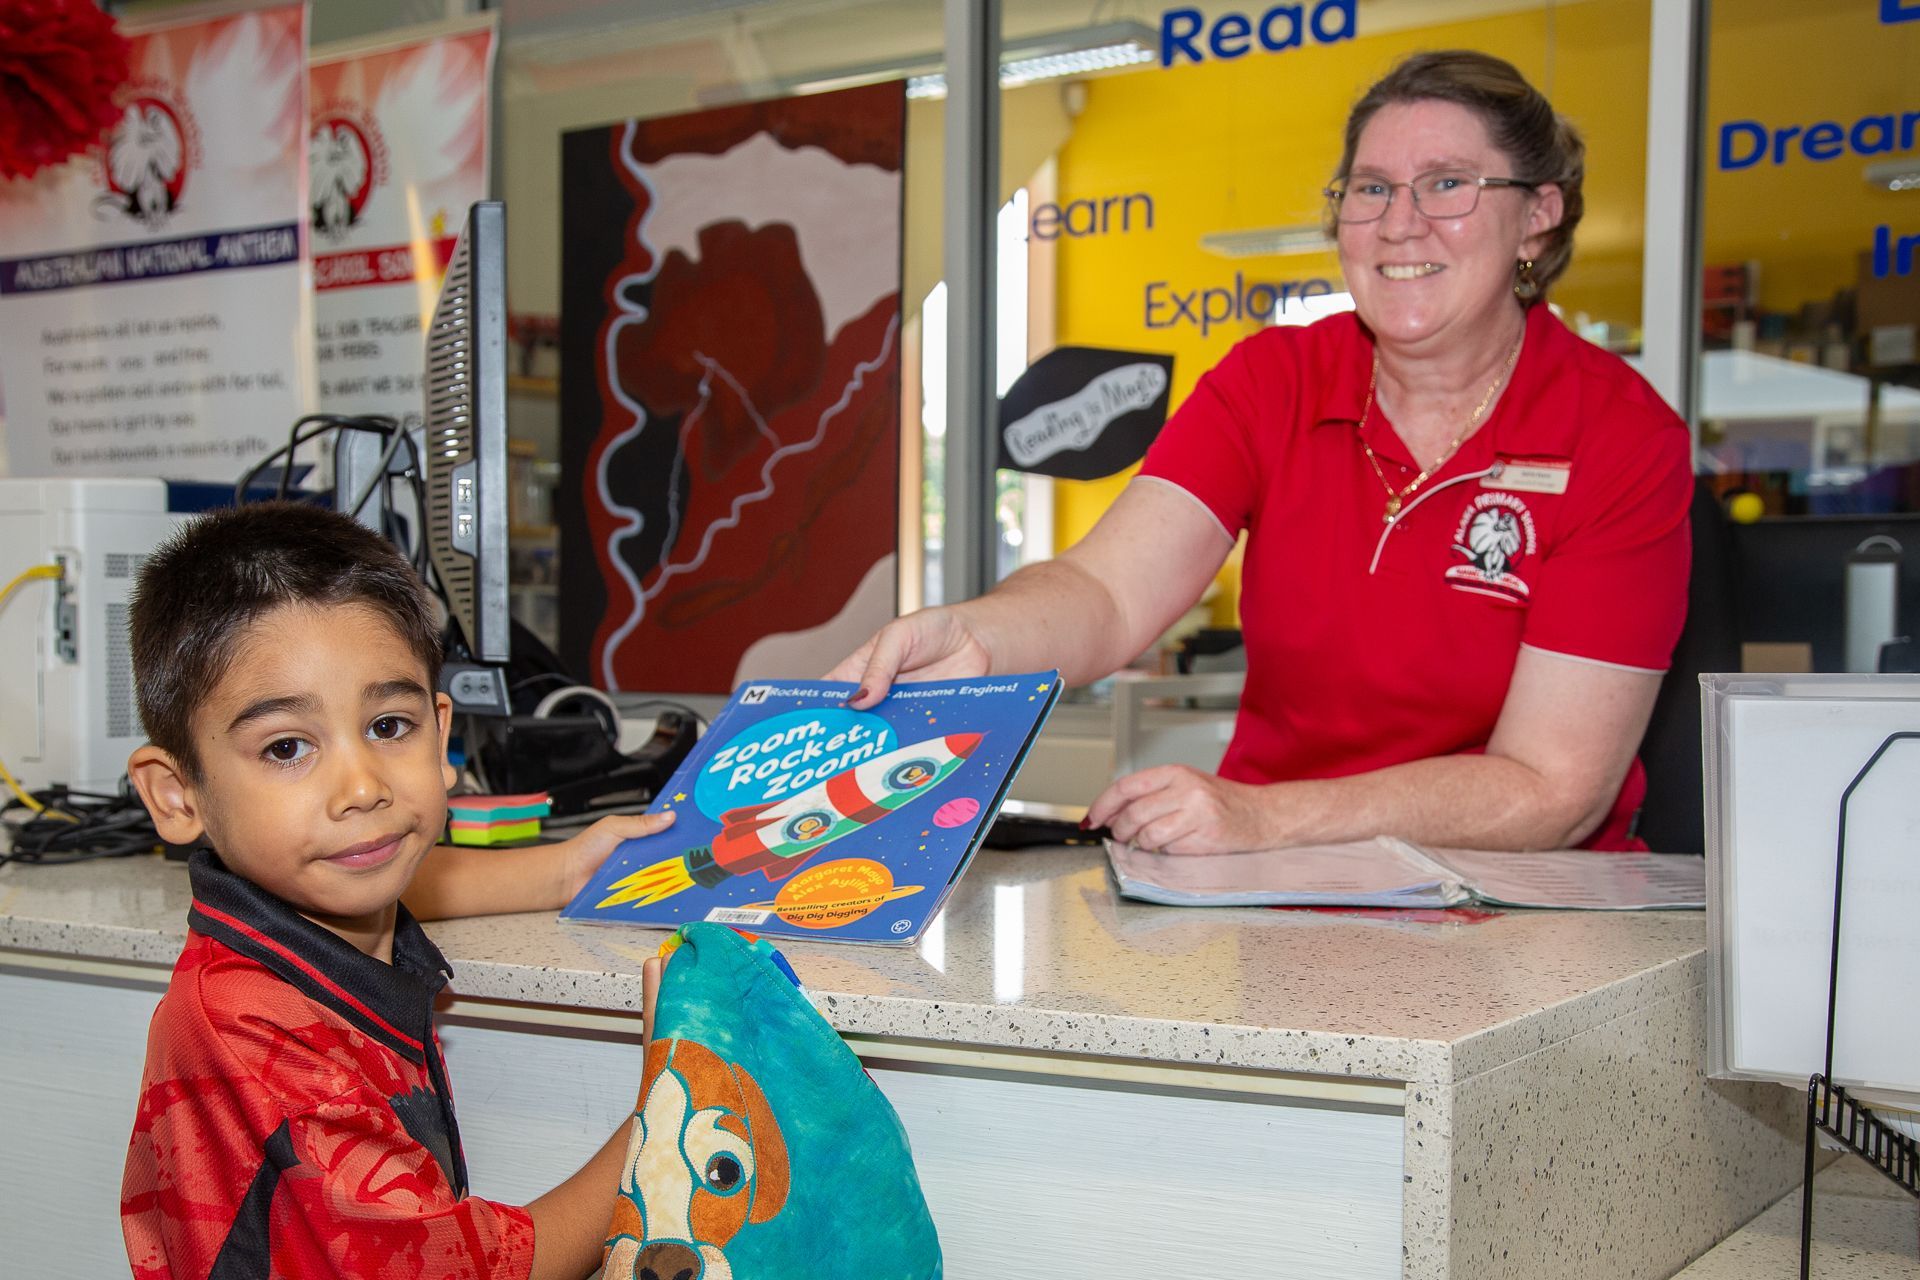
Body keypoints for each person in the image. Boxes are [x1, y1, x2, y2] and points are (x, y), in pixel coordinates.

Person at [835, 50, 1692, 855]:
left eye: (1447, 186)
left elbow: (1554, 789)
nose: (1400, 224)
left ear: (1537, 218)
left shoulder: (1619, 437)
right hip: (1280, 900)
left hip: (1516, 917)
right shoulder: (1275, 379)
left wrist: (1266, 816)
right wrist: (976, 638)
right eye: (1372, 188)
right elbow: (1105, 592)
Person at [120, 501, 673, 1280]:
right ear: (177, 795)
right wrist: (670, 1099)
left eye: (388, 726)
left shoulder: (284, 933)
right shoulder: (260, 1038)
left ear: (441, 735)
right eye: (286, 747)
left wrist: (563, 870)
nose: (361, 787)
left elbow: (412, 875)